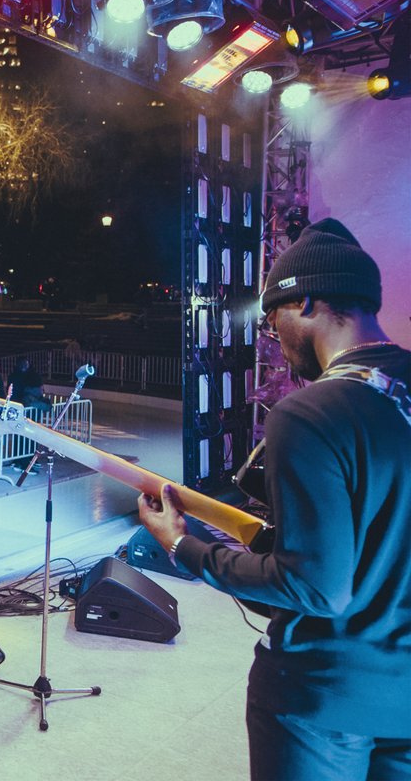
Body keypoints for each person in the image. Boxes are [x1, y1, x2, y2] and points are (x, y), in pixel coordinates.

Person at [137, 219, 411, 781]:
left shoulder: (310, 414)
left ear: (305, 301)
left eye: (272, 320)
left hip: (320, 697)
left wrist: (184, 545)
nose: (273, 338)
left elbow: (314, 587)